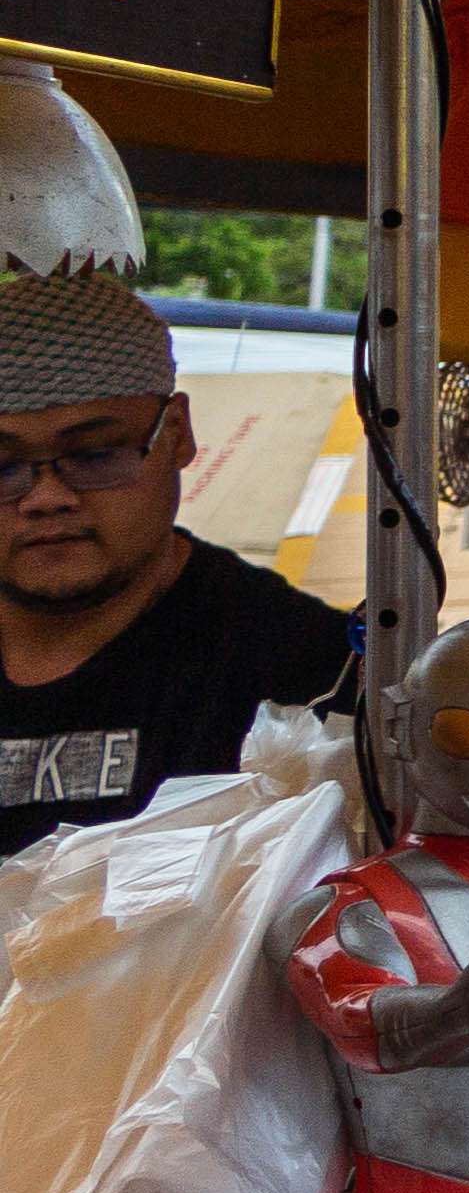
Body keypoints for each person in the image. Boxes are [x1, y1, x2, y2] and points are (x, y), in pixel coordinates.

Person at [0, 270, 353, 857]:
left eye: (94, 455)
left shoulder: (306, 677)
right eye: (2, 466)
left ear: (177, 435)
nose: (46, 498)